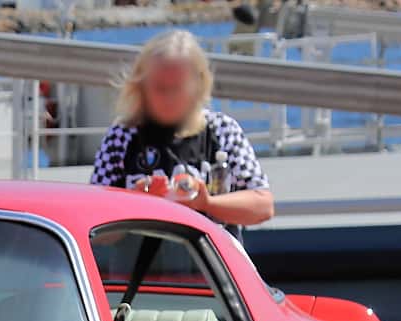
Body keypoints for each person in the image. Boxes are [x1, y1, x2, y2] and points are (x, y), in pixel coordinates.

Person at [89, 30, 275, 230]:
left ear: (198, 85)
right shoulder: (122, 136)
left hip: (206, 258)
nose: (169, 99)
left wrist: (206, 203)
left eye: (178, 89)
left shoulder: (222, 131)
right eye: (160, 88)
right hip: (140, 259)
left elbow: (262, 206)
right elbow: (93, 221)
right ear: (141, 86)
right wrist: (137, 202)